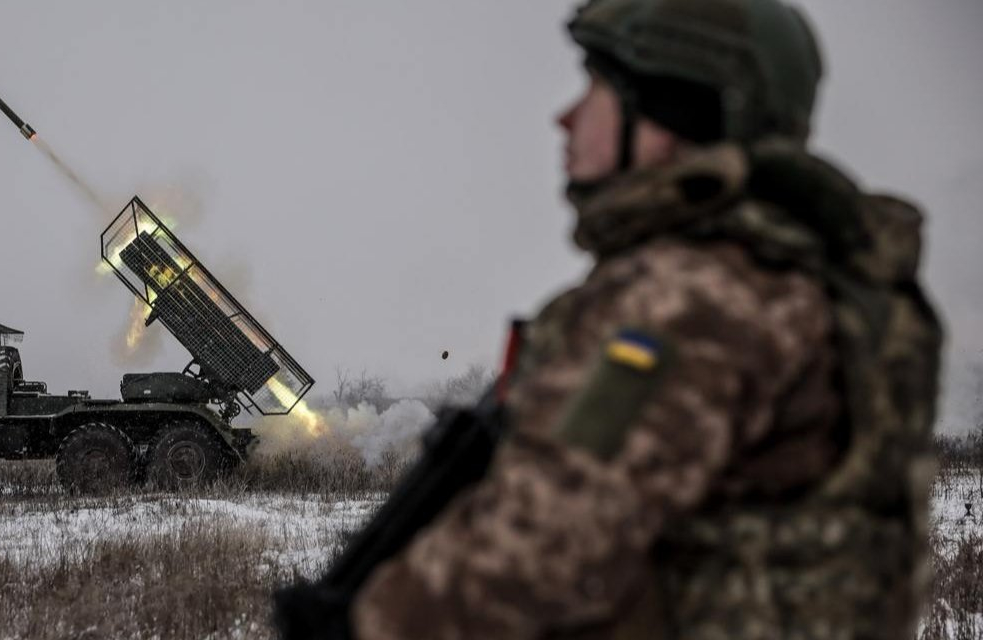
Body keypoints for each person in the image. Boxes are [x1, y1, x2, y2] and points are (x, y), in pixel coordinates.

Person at [349, 0, 943, 638]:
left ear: (671, 112)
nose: (564, 117)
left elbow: (535, 548)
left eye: (597, 88)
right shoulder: (806, 277)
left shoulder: (694, 297)